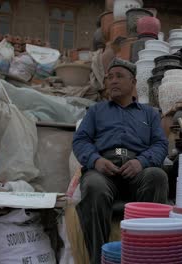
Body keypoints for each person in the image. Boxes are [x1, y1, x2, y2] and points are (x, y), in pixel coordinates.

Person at [72, 57, 169, 264]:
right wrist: (96, 160)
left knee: (157, 176)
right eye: (109, 78)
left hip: (137, 172)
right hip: (104, 171)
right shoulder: (96, 111)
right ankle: (99, 259)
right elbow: (81, 140)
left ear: (133, 83)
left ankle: (145, 256)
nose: (113, 81)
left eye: (119, 76)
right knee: (93, 185)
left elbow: (160, 145)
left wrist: (141, 162)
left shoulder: (150, 114)